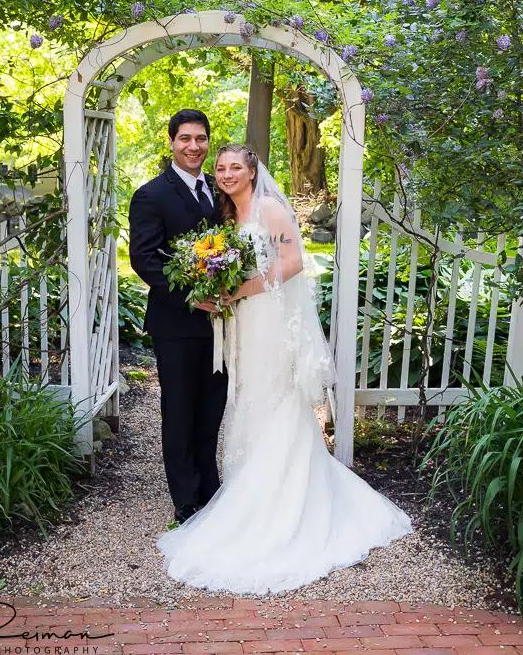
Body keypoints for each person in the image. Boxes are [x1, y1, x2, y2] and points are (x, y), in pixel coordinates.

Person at [157, 144, 413, 595]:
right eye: (221, 168)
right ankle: (251, 493)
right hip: (242, 323)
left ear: (252, 171)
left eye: (235, 166)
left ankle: (279, 504)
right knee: (247, 405)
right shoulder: (226, 215)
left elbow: (293, 263)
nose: (227, 173)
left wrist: (239, 290)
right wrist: (218, 287)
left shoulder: (269, 208)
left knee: (273, 402)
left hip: (268, 324)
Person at [129, 110, 228, 526]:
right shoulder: (152, 194)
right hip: (176, 323)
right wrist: (194, 297)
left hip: (222, 325)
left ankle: (210, 486)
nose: (194, 146)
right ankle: (186, 499)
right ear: (170, 141)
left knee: (212, 408)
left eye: (201, 139)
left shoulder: (220, 190)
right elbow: (144, 260)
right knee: (181, 409)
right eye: (185, 138)